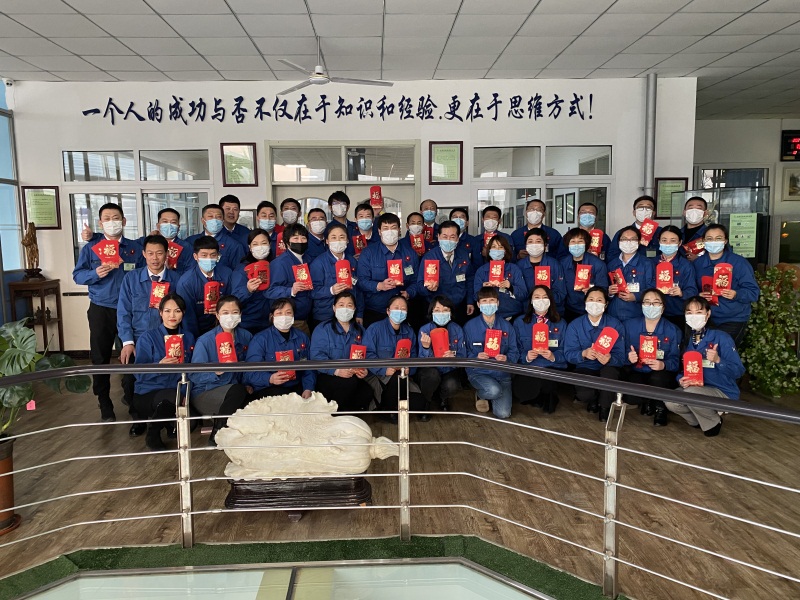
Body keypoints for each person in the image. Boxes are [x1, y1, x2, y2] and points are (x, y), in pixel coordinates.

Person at [72, 202, 144, 422]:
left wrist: (125, 266)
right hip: (101, 308)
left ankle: (133, 403)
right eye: (107, 219)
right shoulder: (91, 248)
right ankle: (104, 402)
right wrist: (95, 273)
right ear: (100, 223)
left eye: (116, 218)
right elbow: (77, 276)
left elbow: (145, 272)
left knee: (131, 355)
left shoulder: (134, 248)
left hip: (130, 310)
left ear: (124, 221)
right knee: (100, 356)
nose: (112, 222)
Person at [117, 234, 182, 436]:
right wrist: (128, 342)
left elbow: (183, 312)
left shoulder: (177, 279)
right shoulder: (131, 279)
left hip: (169, 339)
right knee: (130, 379)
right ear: (144, 254)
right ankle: (138, 418)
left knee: (173, 377)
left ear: (167, 254)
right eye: (150, 253)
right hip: (139, 340)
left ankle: (168, 417)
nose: (155, 258)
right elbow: (123, 312)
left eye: (159, 253)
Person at [666, 296, 745, 437]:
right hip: (695, 389)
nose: (694, 316)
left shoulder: (722, 337)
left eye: (698, 312)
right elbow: (683, 369)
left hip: (722, 391)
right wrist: (681, 380)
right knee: (670, 400)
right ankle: (697, 421)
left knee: (692, 393)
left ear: (708, 314)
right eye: (689, 313)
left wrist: (718, 360)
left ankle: (713, 423)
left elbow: (738, 371)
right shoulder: (688, 340)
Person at [132, 293, 196, 451]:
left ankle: (170, 424)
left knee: (193, 422)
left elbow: (193, 370)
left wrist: (185, 393)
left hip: (179, 392)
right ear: (160, 313)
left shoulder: (188, 337)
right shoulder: (148, 337)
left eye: (177, 311)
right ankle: (153, 433)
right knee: (172, 397)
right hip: (149, 393)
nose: (172, 315)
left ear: (183, 313)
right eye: (167, 311)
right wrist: (158, 366)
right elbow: (138, 373)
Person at [189, 295, 253, 446]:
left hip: (237, 390)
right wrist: (215, 372)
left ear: (240, 314)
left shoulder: (246, 336)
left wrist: (248, 383)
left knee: (253, 399)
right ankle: (217, 432)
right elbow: (194, 375)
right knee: (238, 391)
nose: (230, 316)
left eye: (234, 312)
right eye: (225, 313)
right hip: (207, 391)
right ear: (217, 315)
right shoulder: (205, 341)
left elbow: (251, 365)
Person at [563, 286, 626, 422]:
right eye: (591, 300)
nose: (595, 303)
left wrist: (610, 359)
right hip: (585, 366)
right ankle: (593, 399)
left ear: (606, 304)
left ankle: (605, 407)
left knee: (609, 374)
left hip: (607, 367)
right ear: (585, 303)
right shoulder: (575, 325)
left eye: (599, 300)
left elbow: (621, 357)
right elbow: (568, 354)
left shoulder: (615, 325)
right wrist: (583, 353)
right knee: (585, 394)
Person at [693, 223, 760, 346]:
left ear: (725, 241)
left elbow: (753, 293)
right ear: (703, 241)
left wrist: (736, 294)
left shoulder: (739, 263)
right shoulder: (697, 264)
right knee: (704, 352)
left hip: (732, 318)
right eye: (709, 239)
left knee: (723, 351)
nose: (714, 242)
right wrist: (698, 296)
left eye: (718, 238)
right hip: (705, 317)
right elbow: (691, 289)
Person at [623, 288, 682, 426]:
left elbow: (676, 361)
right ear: (642, 305)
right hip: (637, 370)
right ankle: (647, 400)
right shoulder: (629, 326)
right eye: (647, 302)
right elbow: (619, 353)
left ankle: (660, 409)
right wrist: (628, 357)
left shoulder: (673, 330)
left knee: (658, 378)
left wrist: (664, 364)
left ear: (663, 307)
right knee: (631, 396)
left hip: (660, 373)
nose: (651, 306)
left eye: (656, 303)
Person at [364, 295, 428, 422]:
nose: (400, 311)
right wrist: (384, 369)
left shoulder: (409, 331)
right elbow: (368, 354)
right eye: (396, 308)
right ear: (388, 311)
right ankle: (389, 410)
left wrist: (410, 369)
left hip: (402, 378)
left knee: (420, 402)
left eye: (403, 309)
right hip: (379, 376)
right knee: (396, 379)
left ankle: (391, 407)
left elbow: (413, 356)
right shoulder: (375, 329)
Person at [310, 291, 375, 413]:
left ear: (354, 309)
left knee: (367, 393)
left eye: (349, 305)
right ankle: (337, 416)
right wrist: (336, 371)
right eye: (341, 305)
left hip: (353, 376)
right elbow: (316, 356)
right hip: (328, 375)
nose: (345, 309)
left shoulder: (360, 330)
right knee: (348, 384)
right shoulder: (323, 329)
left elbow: (369, 354)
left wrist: (365, 370)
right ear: (334, 308)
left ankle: (349, 415)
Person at [81, 208, 194, 276]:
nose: (169, 225)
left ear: (178, 226)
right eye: (165, 222)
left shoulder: (186, 247)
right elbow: (114, 239)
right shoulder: (143, 242)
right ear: (158, 225)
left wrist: (171, 273)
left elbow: (191, 273)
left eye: (173, 222)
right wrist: (93, 236)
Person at [463, 286, 519, 419]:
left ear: (498, 303)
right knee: (494, 390)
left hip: (502, 373)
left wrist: (506, 358)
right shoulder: (469, 327)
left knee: (503, 414)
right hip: (479, 372)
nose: (488, 304)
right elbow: (463, 353)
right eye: (484, 301)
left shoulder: (507, 326)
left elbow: (514, 351)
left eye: (492, 300)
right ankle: (482, 394)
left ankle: (489, 394)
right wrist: (476, 357)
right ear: (478, 304)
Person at [176, 236, 248, 337]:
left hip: (227, 325)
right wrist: (195, 340)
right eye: (204, 255)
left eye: (213, 255)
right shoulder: (186, 282)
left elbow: (234, 299)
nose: (209, 259)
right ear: (195, 256)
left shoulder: (227, 273)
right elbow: (189, 319)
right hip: (201, 329)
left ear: (218, 256)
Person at [357, 212, 420, 327]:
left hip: (402, 311)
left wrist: (409, 293)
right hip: (375, 311)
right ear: (379, 231)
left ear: (399, 230)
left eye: (393, 228)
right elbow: (361, 281)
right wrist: (379, 286)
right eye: (385, 228)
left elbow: (416, 281)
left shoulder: (410, 253)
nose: (390, 231)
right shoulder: (368, 253)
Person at [244, 298, 315, 399]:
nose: (284, 317)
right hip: (269, 387)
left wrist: (308, 388)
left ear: (293, 316)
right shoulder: (260, 339)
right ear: (272, 317)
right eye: (279, 313)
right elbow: (250, 372)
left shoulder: (302, 337)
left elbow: (309, 367)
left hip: (296, 385)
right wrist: (270, 378)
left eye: (288, 313)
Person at [512, 285, 568, 413]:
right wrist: (526, 357)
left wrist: (553, 357)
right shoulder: (519, 322)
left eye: (544, 297)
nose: (541, 300)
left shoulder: (561, 323)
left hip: (551, 366)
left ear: (550, 300)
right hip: (529, 366)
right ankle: (537, 396)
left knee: (547, 388)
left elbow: (566, 351)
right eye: (537, 297)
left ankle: (546, 395)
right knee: (521, 393)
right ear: (531, 301)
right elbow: (514, 349)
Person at [416, 220, 475, 325]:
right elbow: (420, 286)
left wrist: (470, 301)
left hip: (458, 306)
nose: (448, 240)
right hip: (437, 309)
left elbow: (470, 279)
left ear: (457, 239)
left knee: (457, 333)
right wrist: (428, 289)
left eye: (452, 237)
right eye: (445, 236)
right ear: (438, 237)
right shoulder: (429, 258)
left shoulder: (463, 255)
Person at [416, 295, 467, 412]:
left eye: (445, 310)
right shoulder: (424, 330)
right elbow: (421, 360)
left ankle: (443, 398)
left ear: (451, 312)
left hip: (449, 368)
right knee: (432, 376)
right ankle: (426, 402)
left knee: (452, 384)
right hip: (430, 369)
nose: (441, 313)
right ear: (432, 312)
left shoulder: (457, 329)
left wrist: (454, 357)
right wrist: (426, 347)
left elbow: (463, 355)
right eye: (437, 310)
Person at [264, 223, 314, 335]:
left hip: (307, 317)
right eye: (295, 238)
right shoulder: (279, 263)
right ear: (287, 242)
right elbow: (269, 291)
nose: (300, 241)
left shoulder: (308, 259)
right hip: (289, 320)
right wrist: (291, 290)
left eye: (303, 238)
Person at [310, 222, 364, 326]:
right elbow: (312, 292)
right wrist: (331, 290)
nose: (338, 241)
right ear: (327, 241)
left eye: (342, 237)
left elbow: (359, 289)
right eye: (333, 237)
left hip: (349, 314)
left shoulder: (352, 261)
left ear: (347, 240)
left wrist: (359, 313)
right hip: (325, 316)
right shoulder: (318, 263)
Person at [606, 226, 655, 322]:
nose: (628, 242)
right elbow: (602, 288)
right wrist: (609, 292)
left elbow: (652, 288)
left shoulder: (647, 264)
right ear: (619, 242)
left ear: (639, 242)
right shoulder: (612, 264)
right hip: (614, 314)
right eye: (624, 239)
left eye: (633, 239)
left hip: (637, 315)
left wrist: (636, 296)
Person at [473, 235, 527, 321]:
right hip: (488, 316)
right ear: (489, 250)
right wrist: (483, 289)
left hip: (512, 315)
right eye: (494, 247)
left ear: (505, 251)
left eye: (500, 247)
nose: (497, 250)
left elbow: (523, 294)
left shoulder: (514, 269)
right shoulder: (482, 270)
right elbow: (475, 297)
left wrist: (510, 287)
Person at [560, 228, 609, 322]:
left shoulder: (598, 264)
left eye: (580, 241)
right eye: (573, 241)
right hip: (569, 309)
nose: (576, 245)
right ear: (568, 244)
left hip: (593, 308)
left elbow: (603, 288)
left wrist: (592, 289)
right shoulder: (562, 263)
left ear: (586, 243)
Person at [654, 225, 698, 330]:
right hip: (654, 312)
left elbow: (693, 290)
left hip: (677, 313)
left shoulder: (686, 265)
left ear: (679, 243)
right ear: (659, 241)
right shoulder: (651, 263)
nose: (668, 244)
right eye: (664, 240)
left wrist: (681, 293)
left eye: (673, 240)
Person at [516, 228, 567, 317]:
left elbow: (560, 293)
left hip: (552, 313)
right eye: (530, 242)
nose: (534, 245)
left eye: (538, 241)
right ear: (526, 245)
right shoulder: (519, 266)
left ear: (545, 245)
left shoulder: (554, 264)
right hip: (526, 313)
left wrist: (544, 300)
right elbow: (519, 293)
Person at [185, 203, 246, 271]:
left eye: (218, 217)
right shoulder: (190, 242)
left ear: (223, 221)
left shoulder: (234, 245)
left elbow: (239, 271)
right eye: (210, 216)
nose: (214, 220)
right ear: (203, 221)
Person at [238, 228, 272, 334]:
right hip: (248, 323)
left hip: (272, 322)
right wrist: (247, 290)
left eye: (264, 243)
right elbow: (235, 298)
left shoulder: (276, 265)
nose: (260, 247)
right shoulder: (242, 269)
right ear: (250, 247)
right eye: (255, 244)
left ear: (270, 245)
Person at [608, 195, 661, 261]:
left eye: (648, 208)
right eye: (640, 207)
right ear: (634, 212)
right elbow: (612, 256)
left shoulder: (661, 232)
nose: (644, 210)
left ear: (653, 213)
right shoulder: (623, 233)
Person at [472, 205, 513, 269]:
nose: (490, 220)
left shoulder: (506, 238)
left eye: (494, 218)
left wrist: (488, 254)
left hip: (501, 271)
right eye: (488, 217)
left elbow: (511, 259)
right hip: (480, 272)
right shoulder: (476, 239)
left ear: (499, 221)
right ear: (482, 219)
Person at [680, 196, 709, 262]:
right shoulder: (677, 233)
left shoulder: (710, 234)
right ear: (684, 212)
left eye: (699, 208)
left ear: (705, 213)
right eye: (690, 208)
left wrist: (699, 259)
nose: (694, 212)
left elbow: (721, 256)